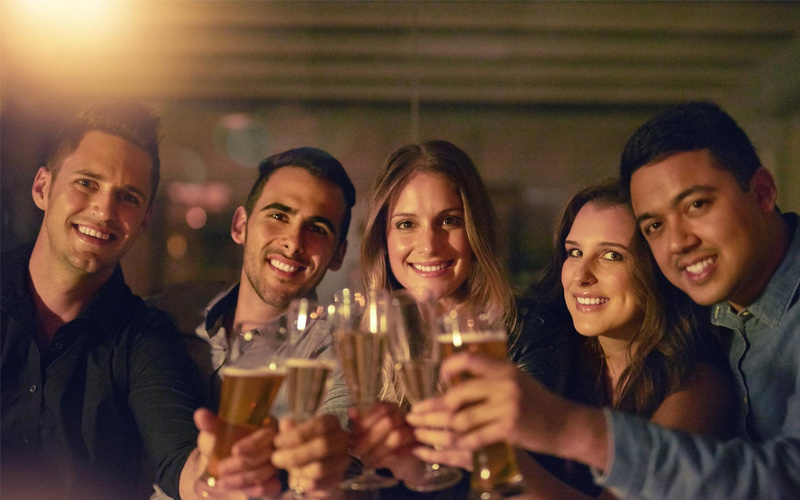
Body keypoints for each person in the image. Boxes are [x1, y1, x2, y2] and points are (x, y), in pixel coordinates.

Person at [411, 101, 800, 499]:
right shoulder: (553, 348)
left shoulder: (696, 379)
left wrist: (545, 438)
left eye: (697, 205)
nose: (679, 242)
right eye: (655, 226)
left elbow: (783, 479)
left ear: (764, 192)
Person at [409, 179, 735, 499]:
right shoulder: (554, 351)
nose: (581, 275)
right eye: (574, 252)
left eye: (611, 256)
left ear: (658, 267)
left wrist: (499, 459)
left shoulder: (697, 387)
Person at [1, 101, 198, 500]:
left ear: (144, 220)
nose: (104, 210)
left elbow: (183, 466)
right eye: (87, 183)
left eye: (127, 197)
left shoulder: (143, 337)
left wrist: (227, 470)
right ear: (43, 188)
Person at [351, 140, 573, 491]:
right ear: (383, 238)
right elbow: (345, 462)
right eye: (407, 224)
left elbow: (538, 476)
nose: (428, 245)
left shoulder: (527, 331)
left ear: (476, 231)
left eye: (449, 221)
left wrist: (483, 453)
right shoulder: (361, 338)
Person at [149, 147, 356, 498]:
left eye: (317, 228)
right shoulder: (169, 312)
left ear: (337, 255)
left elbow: (338, 461)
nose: (293, 242)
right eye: (278, 215)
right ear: (241, 225)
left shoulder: (338, 355)